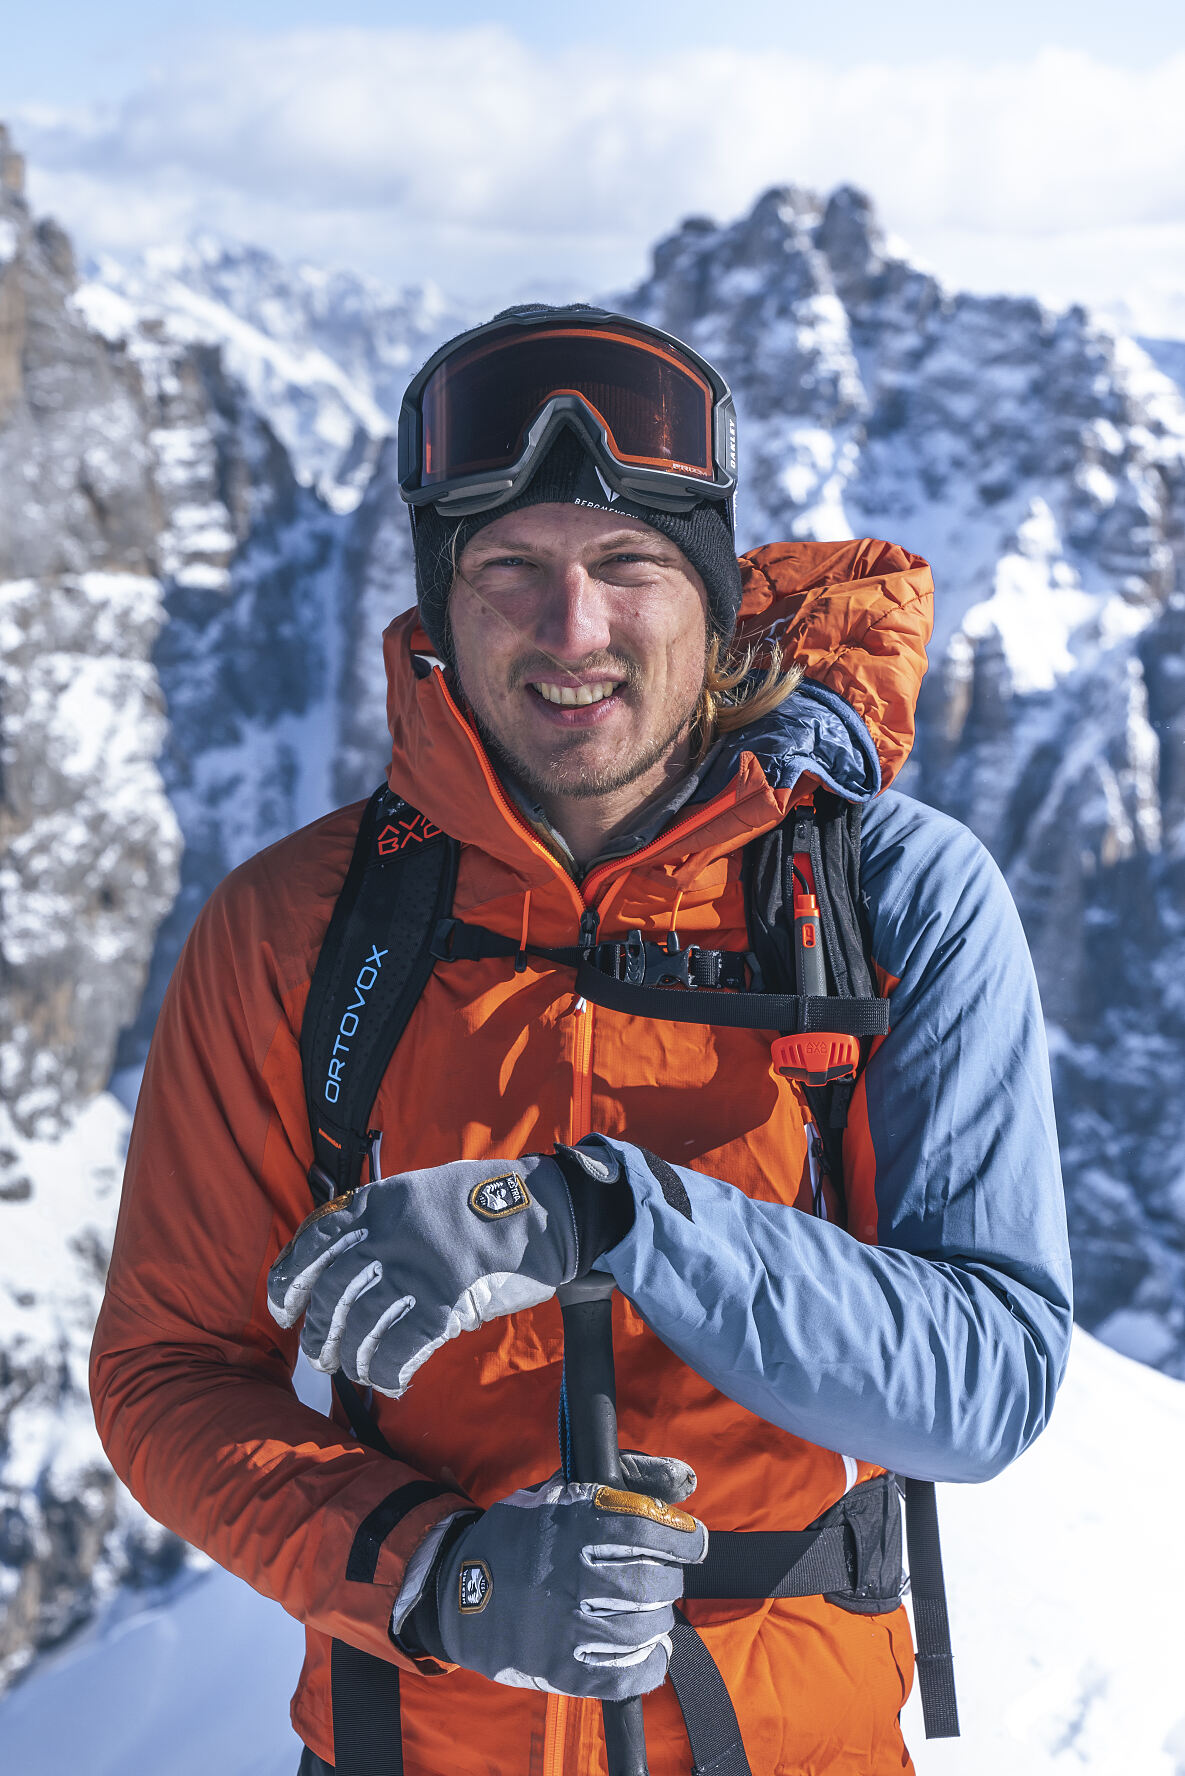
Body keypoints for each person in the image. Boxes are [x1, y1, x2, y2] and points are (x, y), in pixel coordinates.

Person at [91, 305, 1073, 1775]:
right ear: (437, 597)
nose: (573, 633)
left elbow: (986, 1379)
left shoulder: (889, 898)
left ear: (717, 591)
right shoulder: (296, 929)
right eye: (510, 572)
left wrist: (610, 1216)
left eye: (628, 567)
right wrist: (435, 1573)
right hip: (405, 1740)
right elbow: (170, 1370)